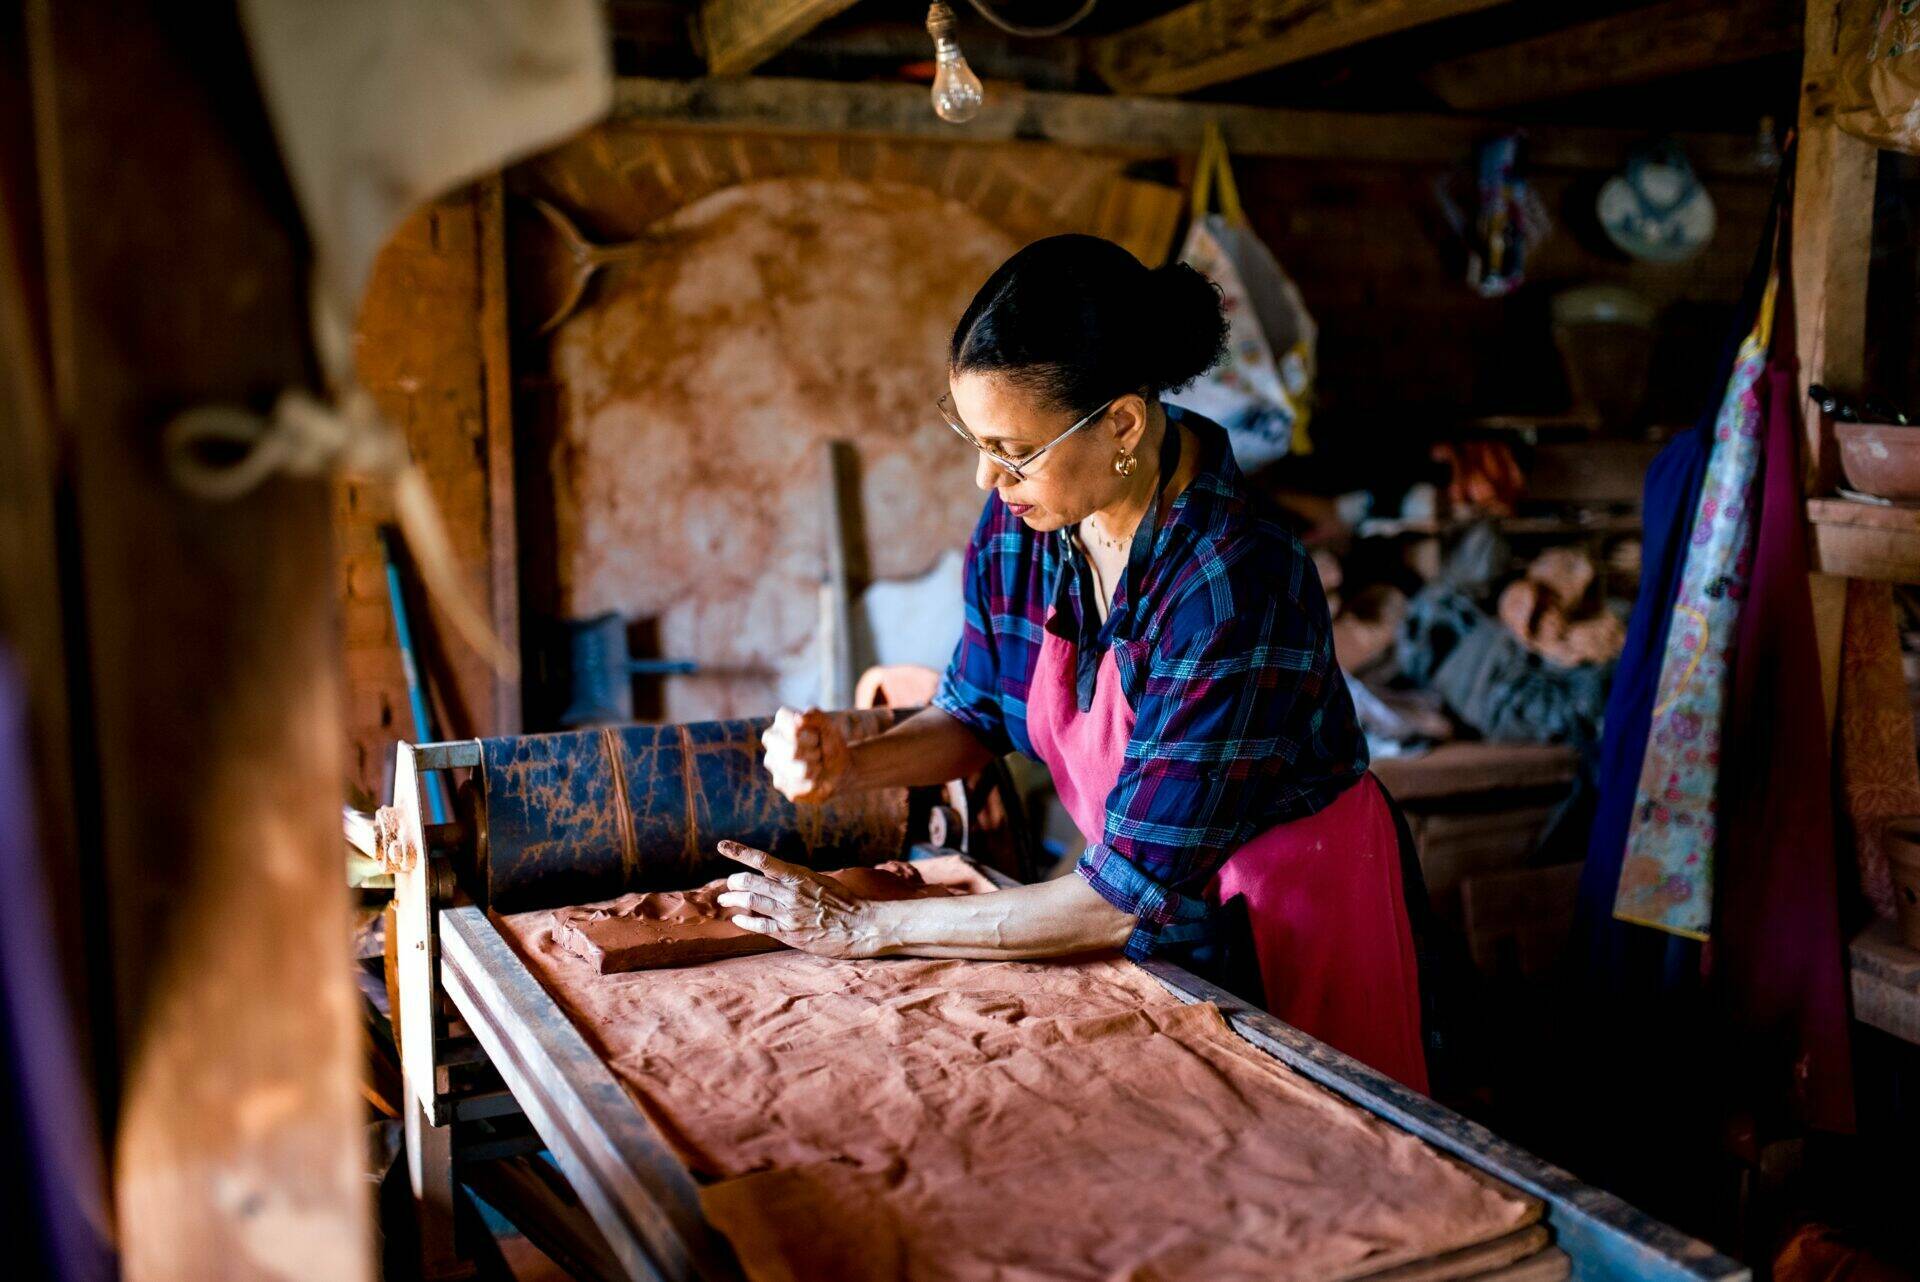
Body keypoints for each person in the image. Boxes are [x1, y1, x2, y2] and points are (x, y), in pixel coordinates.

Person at [716, 234, 1429, 1090]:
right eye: (973, 437)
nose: (988, 477)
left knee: (1324, 1158)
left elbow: (1117, 898)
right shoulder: (1029, 525)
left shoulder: (1233, 584)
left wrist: (871, 927)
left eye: (1013, 449)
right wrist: (851, 764)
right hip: (1141, 895)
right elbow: (978, 714)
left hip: (1291, 911)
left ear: (1122, 422)